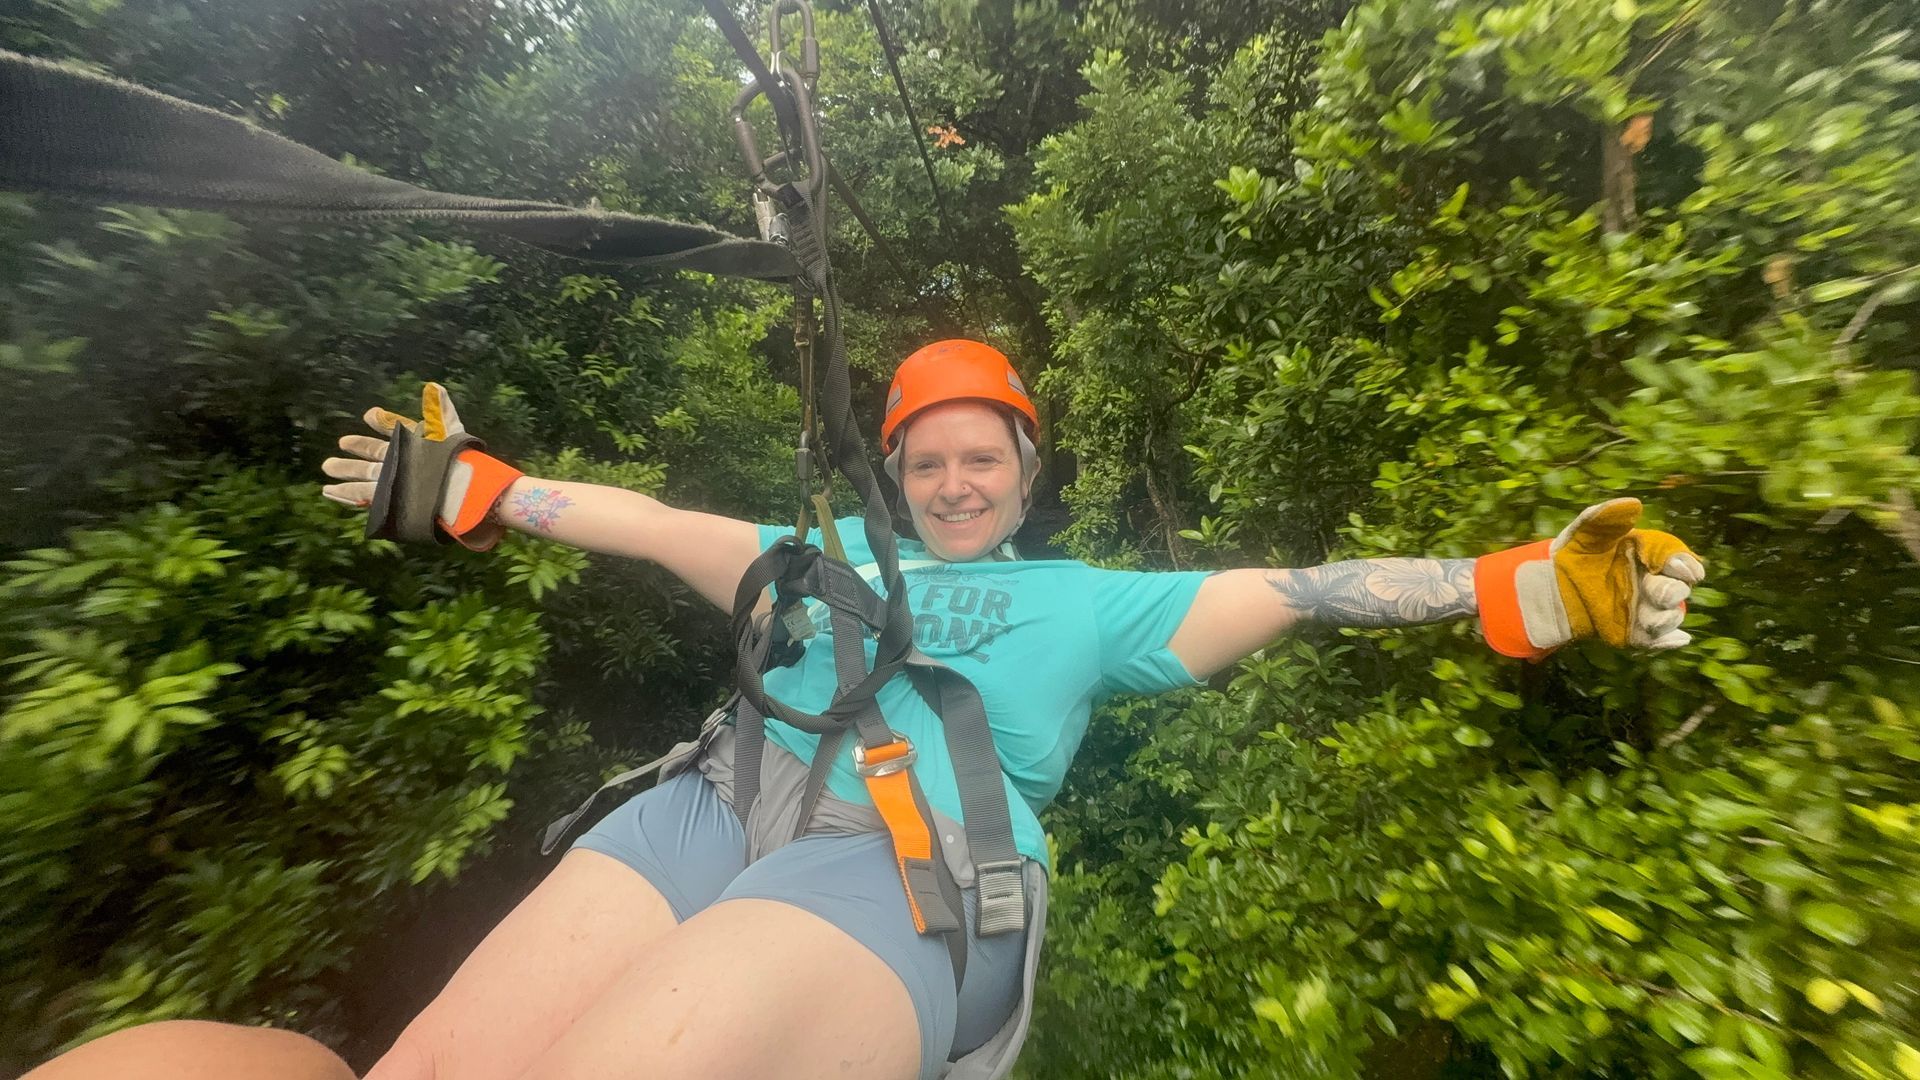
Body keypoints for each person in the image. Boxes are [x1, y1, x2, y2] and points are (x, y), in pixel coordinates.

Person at [30, 339, 1704, 1080]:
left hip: (913, 854)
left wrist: (1520, 585)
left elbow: (1303, 587)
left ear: (1027, 470)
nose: (956, 480)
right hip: (713, 803)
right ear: (895, 474)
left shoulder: (1091, 602)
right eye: (928, 459)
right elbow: (643, 520)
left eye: (984, 456)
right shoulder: (813, 553)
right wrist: (485, 492)